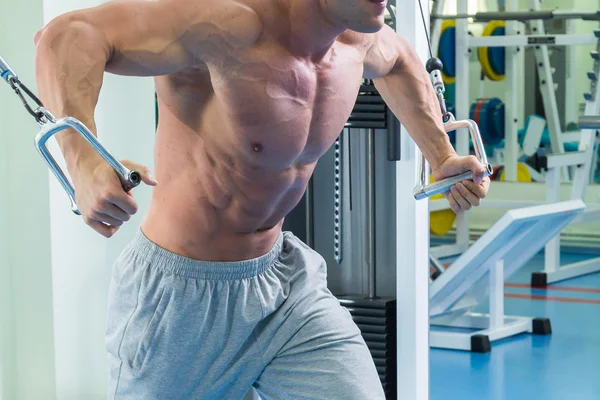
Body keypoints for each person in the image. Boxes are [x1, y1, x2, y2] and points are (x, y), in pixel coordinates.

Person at [34, 0, 490, 398]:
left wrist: (441, 154)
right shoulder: (226, 24)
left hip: (284, 283)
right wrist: (84, 163)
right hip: (181, 299)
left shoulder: (357, 39)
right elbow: (67, 35)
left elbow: (402, 60)